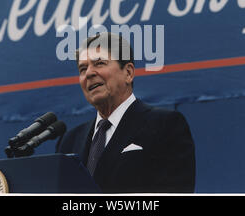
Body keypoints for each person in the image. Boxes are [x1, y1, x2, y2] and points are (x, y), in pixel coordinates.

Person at [56, 32, 195, 193]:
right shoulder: (69, 141)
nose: (89, 73)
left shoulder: (165, 125)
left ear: (128, 73)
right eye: (82, 68)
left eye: (99, 63)